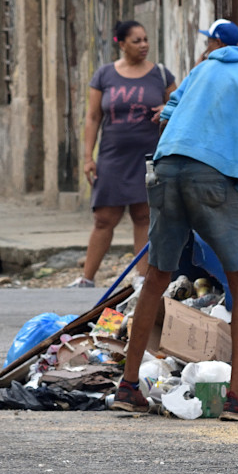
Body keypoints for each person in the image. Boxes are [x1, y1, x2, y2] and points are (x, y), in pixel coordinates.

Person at [113, 33, 238, 421]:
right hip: (215, 178)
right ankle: (237, 397)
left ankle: (128, 387)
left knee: (156, 276)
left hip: (166, 166)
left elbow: (167, 117)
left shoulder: (210, 64)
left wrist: (178, 169)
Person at [71, 20, 177, 287]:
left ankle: (142, 278)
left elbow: (181, 107)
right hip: (112, 156)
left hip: (149, 156)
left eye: (145, 39)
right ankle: (87, 278)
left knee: (143, 215)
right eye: (136, 41)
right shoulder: (105, 75)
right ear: (121, 43)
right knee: (104, 217)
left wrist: (167, 107)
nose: (144, 45)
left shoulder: (161, 75)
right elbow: (93, 117)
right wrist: (87, 157)